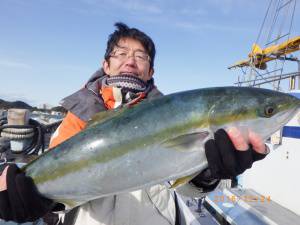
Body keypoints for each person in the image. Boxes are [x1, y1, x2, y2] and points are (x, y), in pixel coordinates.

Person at [0, 22, 269, 225]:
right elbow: (59, 187)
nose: (130, 60)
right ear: (106, 65)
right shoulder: (78, 116)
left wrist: (209, 172)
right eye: (121, 54)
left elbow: (185, 187)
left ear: (150, 71)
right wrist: (33, 198)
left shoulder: (175, 114)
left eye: (141, 56)